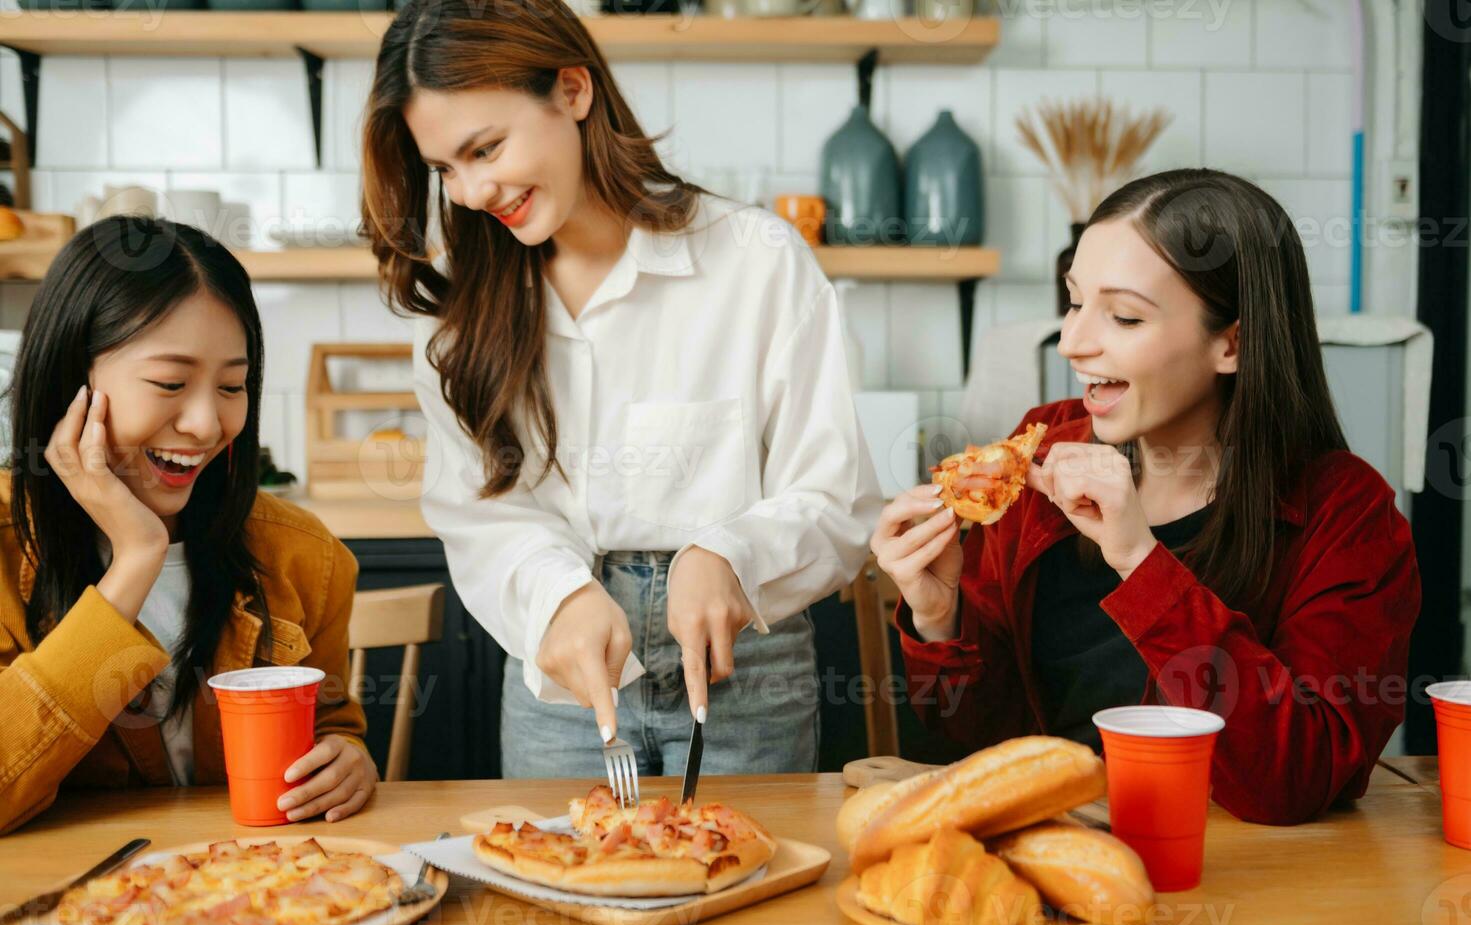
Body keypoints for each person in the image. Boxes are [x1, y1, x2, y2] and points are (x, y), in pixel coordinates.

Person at [361, 0, 881, 776]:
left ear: (573, 92)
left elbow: (837, 495)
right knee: (561, 886)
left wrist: (729, 552)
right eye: (444, 169)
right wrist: (558, 596)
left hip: (746, 672)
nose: (469, 192)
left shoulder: (755, 259)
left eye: (486, 148)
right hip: (561, 673)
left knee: (753, 891)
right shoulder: (459, 312)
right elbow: (477, 514)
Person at [872, 169, 1421, 825]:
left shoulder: (1346, 513)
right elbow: (982, 740)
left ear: (1231, 342)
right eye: (1073, 302)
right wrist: (940, 619)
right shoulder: (1040, 451)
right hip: (1059, 854)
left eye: (1123, 315)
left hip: (1242, 879)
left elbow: (1297, 779)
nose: (1074, 342)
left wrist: (1140, 561)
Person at [0, 216, 375, 834]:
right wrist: (136, 557)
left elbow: (331, 726)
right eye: (169, 383)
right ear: (72, 378)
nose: (206, 424)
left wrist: (350, 759)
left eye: (232, 385)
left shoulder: (304, 555)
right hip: (73, 905)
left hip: (243, 898)